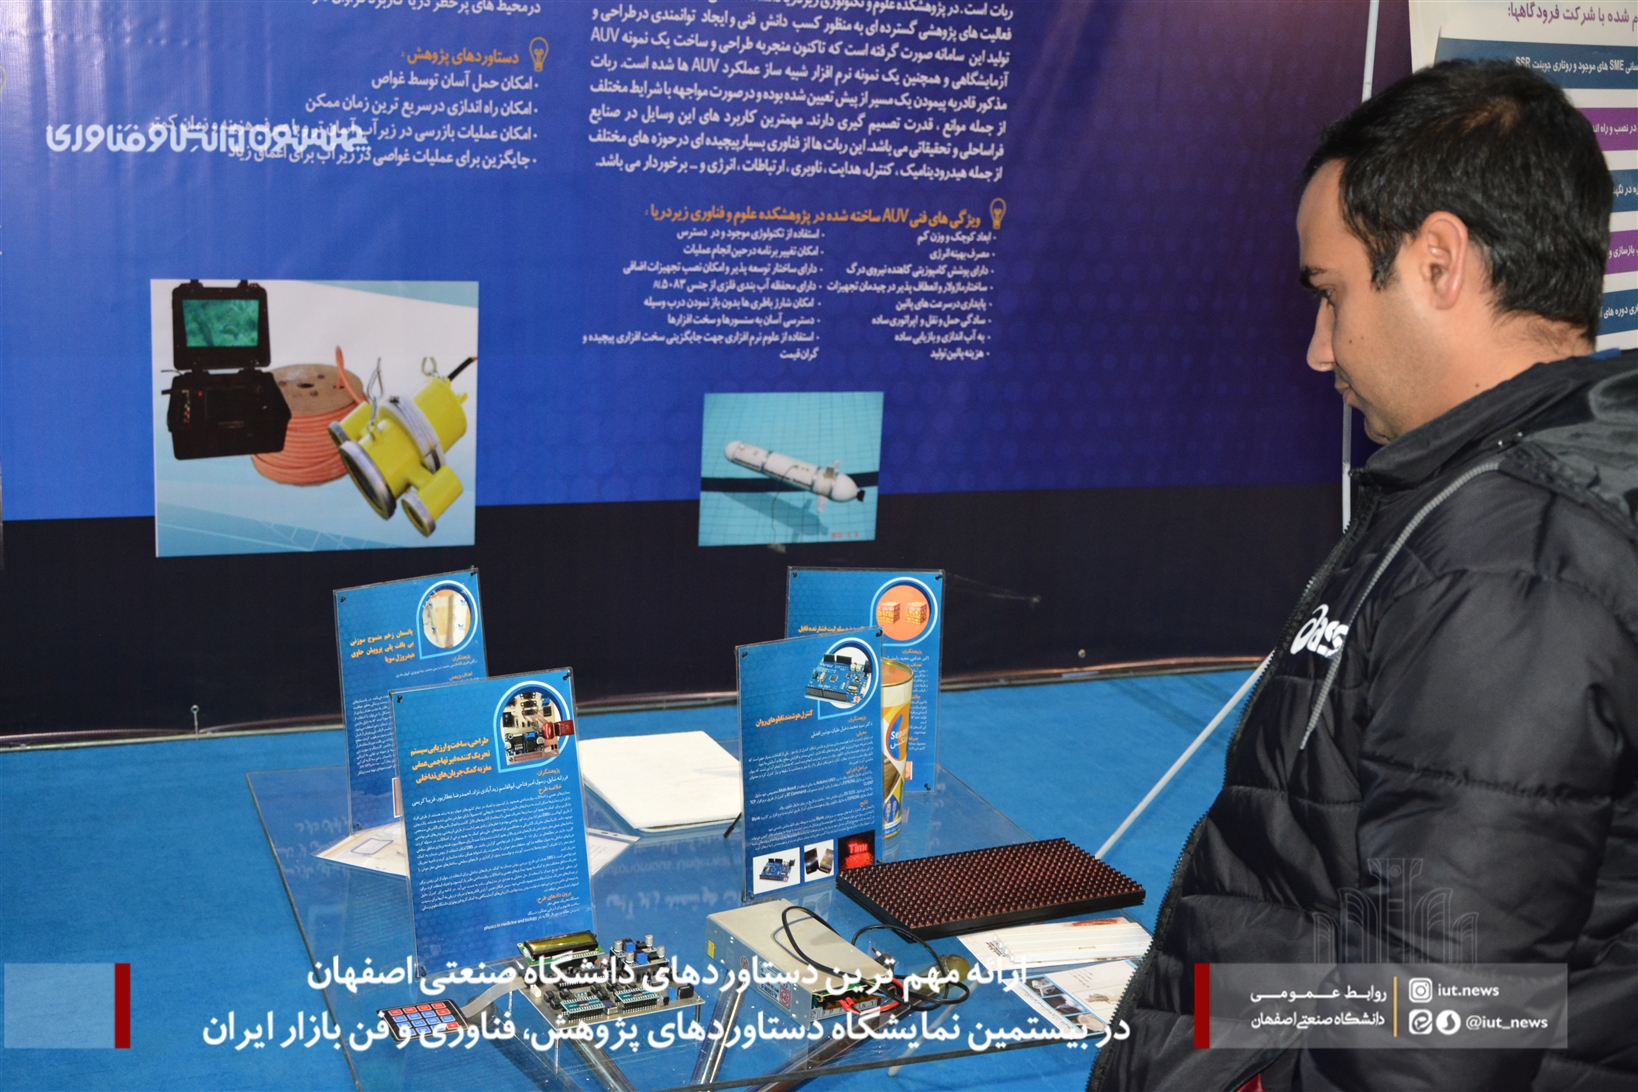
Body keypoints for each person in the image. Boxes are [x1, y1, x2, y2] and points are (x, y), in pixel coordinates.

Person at [1089, 60, 1638, 1091]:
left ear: (1439, 262)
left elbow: (1435, 1032)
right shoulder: (1492, 494)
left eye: (1331, 295)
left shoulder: (1509, 562)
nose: (1318, 348)